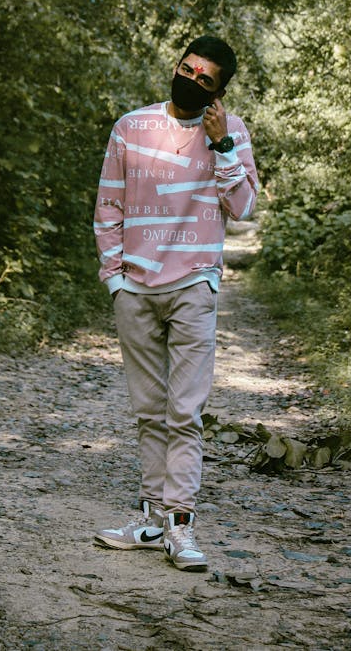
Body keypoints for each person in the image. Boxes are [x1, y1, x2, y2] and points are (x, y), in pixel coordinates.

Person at [93, 35, 258, 571]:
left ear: (218, 91)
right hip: (135, 290)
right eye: (187, 69)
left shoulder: (229, 133)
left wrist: (222, 147)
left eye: (204, 78)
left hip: (194, 285)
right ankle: (148, 520)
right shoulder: (130, 127)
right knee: (148, 412)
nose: (191, 79)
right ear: (176, 67)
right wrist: (115, 278)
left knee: (184, 411)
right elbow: (108, 205)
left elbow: (245, 208)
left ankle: (180, 527)